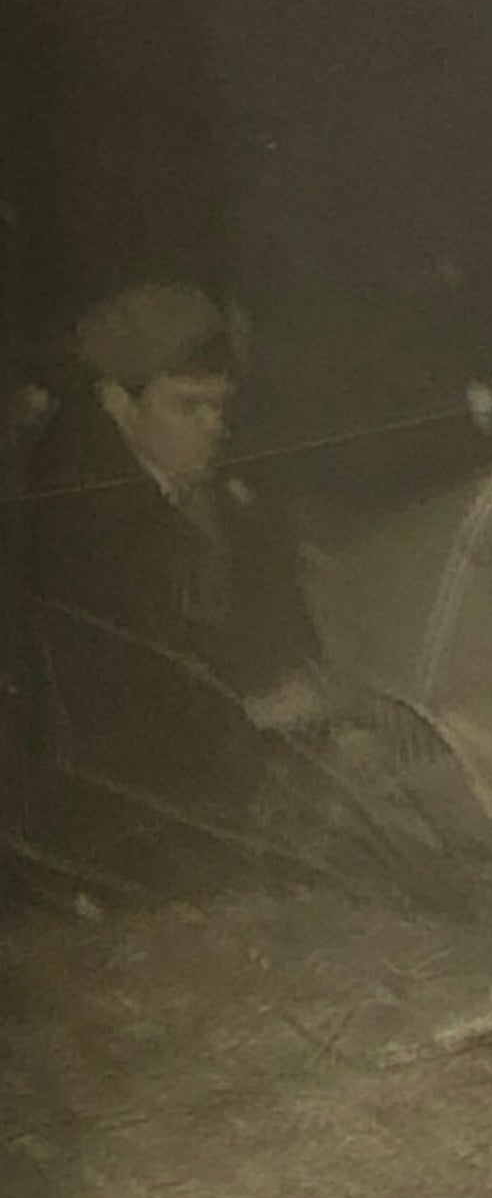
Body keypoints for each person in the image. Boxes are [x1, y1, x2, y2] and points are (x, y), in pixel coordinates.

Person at [22, 282, 333, 817]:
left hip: (253, 770)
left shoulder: (234, 495)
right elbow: (112, 708)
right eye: (188, 406)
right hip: (130, 814)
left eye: (220, 404)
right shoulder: (76, 533)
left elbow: (280, 615)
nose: (215, 426)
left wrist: (306, 682)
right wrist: (252, 716)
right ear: (118, 403)